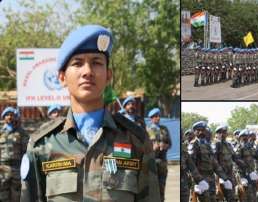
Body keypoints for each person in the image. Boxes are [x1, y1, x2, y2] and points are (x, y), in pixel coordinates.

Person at [20, 24, 160, 201]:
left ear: (108, 76)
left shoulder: (136, 140)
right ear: (62, 77)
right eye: (78, 63)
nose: (87, 71)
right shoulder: (41, 145)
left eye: (96, 62)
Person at [188, 121, 231, 202]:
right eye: (199, 130)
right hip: (202, 181)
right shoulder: (194, 144)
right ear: (194, 132)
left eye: (203, 130)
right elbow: (191, 166)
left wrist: (225, 178)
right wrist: (198, 181)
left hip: (211, 180)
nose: (201, 132)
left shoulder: (207, 145)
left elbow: (215, 164)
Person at [0, 107, 28, 202]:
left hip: (17, 167)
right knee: (2, 193)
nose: (9, 117)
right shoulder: (0, 132)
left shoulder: (21, 132)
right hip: (2, 167)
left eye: (12, 115)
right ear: (4, 117)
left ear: (15, 116)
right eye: (7, 115)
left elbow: (26, 151)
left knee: (17, 194)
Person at [146, 108, 172, 202]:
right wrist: (153, 148)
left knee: (162, 187)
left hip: (162, 162)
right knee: (152, 188)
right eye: (155, 116)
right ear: (151, 118)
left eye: (159, 116)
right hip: (152, 162)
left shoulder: (164, 129)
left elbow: (170, 144)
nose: (158, 118)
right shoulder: (147, 130)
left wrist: (164, 145)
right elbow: (144, 148)